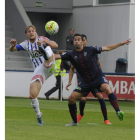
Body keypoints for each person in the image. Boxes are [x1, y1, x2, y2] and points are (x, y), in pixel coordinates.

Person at [54, 33, 131, 126]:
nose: (76, 41)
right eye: (75, 40)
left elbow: (107, 48)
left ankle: (118, 111)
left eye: (78, 39)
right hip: (85, 82)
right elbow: (56, 56)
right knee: (71, 99)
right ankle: (75, 121)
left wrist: (121, 44)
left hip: (97, 77)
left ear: (83, 42)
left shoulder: (91, 49)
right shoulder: (71, 54)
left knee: (106, 89)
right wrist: (44, 53)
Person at [9, 25, 58, 125]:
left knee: (48, 49)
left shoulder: (42, 39)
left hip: (49, 65)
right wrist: (12, 45)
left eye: (33, 31)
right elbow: (11, 50)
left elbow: (55, 45)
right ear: (26, 34)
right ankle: (39, 115)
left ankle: (45, 53)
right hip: (39, 70)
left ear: (36, 32)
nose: (31, 32)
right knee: (32, 95)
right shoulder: (26, 44)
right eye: (29, 31)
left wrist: (45, 41)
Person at [66, 34, 111, 125]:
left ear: (85, 41)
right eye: (77, 40)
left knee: (100, 96)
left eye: (82, 40)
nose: (81, 41)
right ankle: (81, 114)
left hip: (94, 78)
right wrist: (70, 81)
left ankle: (106, 119)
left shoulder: (91, 51)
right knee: (83, 98)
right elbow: (72, 68)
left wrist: (101, 76)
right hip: (83, 80)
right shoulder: (75, 54)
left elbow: (98, 63)